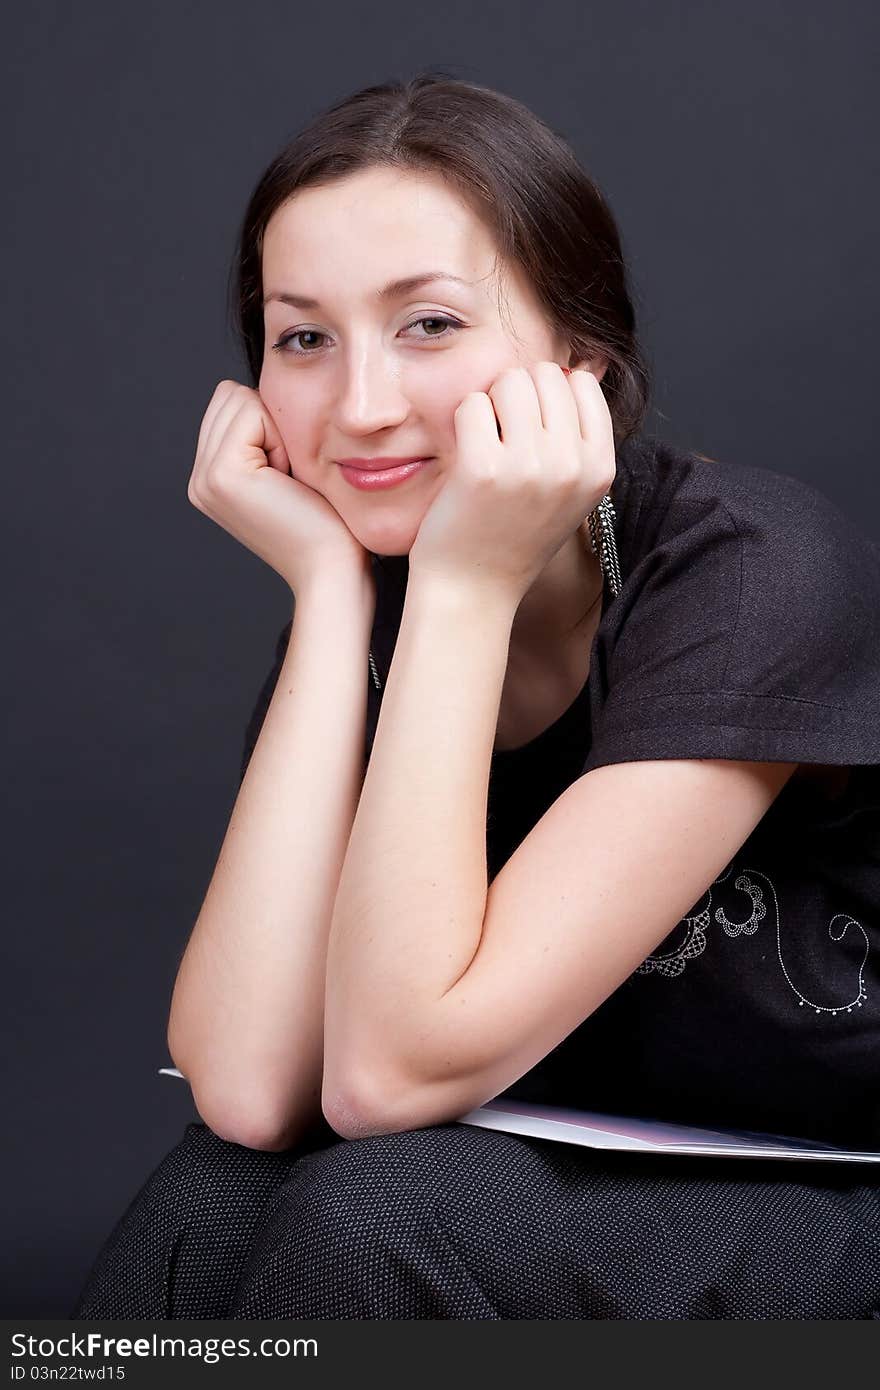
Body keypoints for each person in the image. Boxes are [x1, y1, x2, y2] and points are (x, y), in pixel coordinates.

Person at [71, 72, 880, 1321]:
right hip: (575, 1164)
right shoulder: (379, 590)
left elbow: (383, 1080)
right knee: (210, 1194)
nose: (361, 406)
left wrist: (462, 586)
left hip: (838, 1187)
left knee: (378, 1209)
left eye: (430, 325)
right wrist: (335, 599)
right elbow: (249, 1088)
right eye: (303, 338)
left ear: (578, 360)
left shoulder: (751, 566)